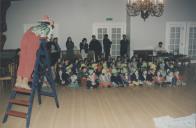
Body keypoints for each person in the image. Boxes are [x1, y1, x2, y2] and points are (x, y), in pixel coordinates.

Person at [15, 15, 54, 90]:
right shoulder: (47, 27)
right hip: (32, 40)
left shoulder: (34, 27)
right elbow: (44, 38)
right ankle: (25, 82)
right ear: (49, 23)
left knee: (23, 60)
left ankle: (18, 80)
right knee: (30, 60)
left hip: (24, 37)